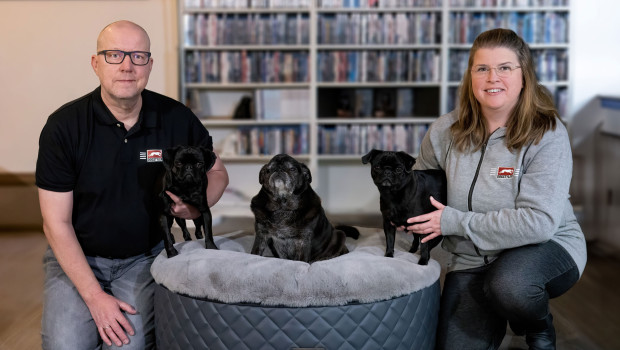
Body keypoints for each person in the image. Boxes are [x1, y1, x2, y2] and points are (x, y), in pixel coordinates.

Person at [36, 20, 229, 349]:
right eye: (114, 55)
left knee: (128, 345)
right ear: (96, 63)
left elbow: (218, 172)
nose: (127, 66)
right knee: (65, 345)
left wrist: (198, 205)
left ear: (149, 65)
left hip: (143, 259)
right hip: (75, 259)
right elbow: (55, 223)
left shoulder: (176, 118)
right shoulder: (63, 127)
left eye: (138, 56)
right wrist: (96, 298)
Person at [404, 28, 586, 350]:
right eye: (482, 68)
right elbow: (420, 187)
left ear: (524, 75)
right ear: (471, 76)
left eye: (504, 67)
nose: (493, 78)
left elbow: (539, 223)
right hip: (471, 259)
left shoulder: (547, 133)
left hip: (546, 247)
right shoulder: (444, 130)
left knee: (510, 286)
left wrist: (455, 222)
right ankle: (508, 307)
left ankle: (536, 324)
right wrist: (403, 213)